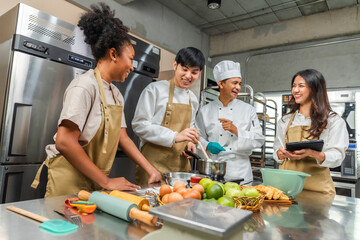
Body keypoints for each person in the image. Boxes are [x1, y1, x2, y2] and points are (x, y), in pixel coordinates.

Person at [31, 3, 161, 197]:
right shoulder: (84, 86)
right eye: (131, 59)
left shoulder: (116, 93)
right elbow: (64, 141)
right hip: (67, 177)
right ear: (113, 54)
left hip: (93, 179)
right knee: (63, 227)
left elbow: (122, 137)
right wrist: (106, 181)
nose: (132, 67)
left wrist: (150, 169)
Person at [132, 47, 205, 185]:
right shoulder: (155, 90)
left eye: (194, 72)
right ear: (175, 65)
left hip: (179, 172)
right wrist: (174, 136)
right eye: (184, 69)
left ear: (199, 73)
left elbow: (189, 127)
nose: (188, 76)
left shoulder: (193, 100)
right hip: (152, 167)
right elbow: (139, 125)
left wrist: (189, 142)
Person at [274, 69, 349, 195]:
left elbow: (337, 156)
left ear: (314, 88)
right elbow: (276, 150)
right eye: (293, 86)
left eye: (301, 86)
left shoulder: (333, 120)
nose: (295, 90)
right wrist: (281, 154)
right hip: (287, 187)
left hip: (317, 189)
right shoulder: (284, 120)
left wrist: (312, 153)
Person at [195, 60, 265, 183]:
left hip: (241, 173)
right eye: (234, 83)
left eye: (239, 83)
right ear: (221, 84)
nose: (238, 87)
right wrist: (207, 145)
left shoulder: (248, 110)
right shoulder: (205, 111)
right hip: (214, 174)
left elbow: (259, 139)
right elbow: (197, 139)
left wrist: (236, 130)